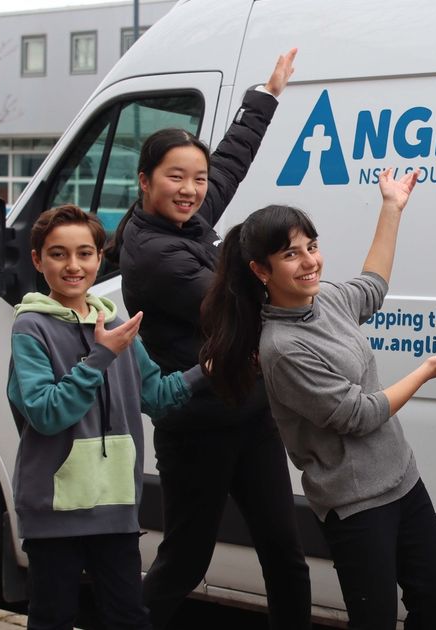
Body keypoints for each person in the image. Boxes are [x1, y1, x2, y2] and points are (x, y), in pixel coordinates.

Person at [199, 169, 436, 630]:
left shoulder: (325, 299)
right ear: (261, 270)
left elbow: (372, 286)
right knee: (374, 620)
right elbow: (358, 415)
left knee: (435, 604)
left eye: (312, 247)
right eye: (291, 254)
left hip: (402, 479)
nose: (310, 262)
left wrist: (391, 208)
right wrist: (425, 371)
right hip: (355, 502)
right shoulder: (282, 348)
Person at [106, 49, 312, 629]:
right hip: (197, 428)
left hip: (248, 415)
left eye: (195, 179)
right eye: (175, 177)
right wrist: (295, 278)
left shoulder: (188, 219)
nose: (192, 189)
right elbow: (236, 308)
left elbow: (228, 164)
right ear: (144, 181)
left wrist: (265, 97)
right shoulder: (154, 254)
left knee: (284, 553)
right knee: (185, 560)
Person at [8, 205, 204, 630]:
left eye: (84, 253)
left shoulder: (115, 324)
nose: (73, 265)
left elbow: (157, 397)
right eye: (58, 254)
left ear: (100, 258)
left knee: (128, 618)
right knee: (53, 618)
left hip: (116, 506)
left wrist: (209, 368)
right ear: (38, 260)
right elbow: (46, 413)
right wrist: (100, 355)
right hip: (54, 513)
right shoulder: (30, 328)